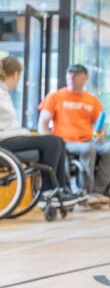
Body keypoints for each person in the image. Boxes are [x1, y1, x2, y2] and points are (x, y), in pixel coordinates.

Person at [37, 63, 110, 198]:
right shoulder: (55, 96)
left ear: (85, 77)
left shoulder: (92, 100)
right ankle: (86, 190)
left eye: (75, 75)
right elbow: (43, 122)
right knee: (88, 149)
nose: (71, 78)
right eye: (69, 74)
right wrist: (49, 141)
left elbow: (101, 123)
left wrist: (101, 135)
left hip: (88, 139)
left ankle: (98, 190)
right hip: (66, 141)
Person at [0, 56, 76, 197]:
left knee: (58, 141)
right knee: (52, 142)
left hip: (9, 137)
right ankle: (47, 190)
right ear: (16, 75)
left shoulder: (4, 93)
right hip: (3, 141)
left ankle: (62, 188)